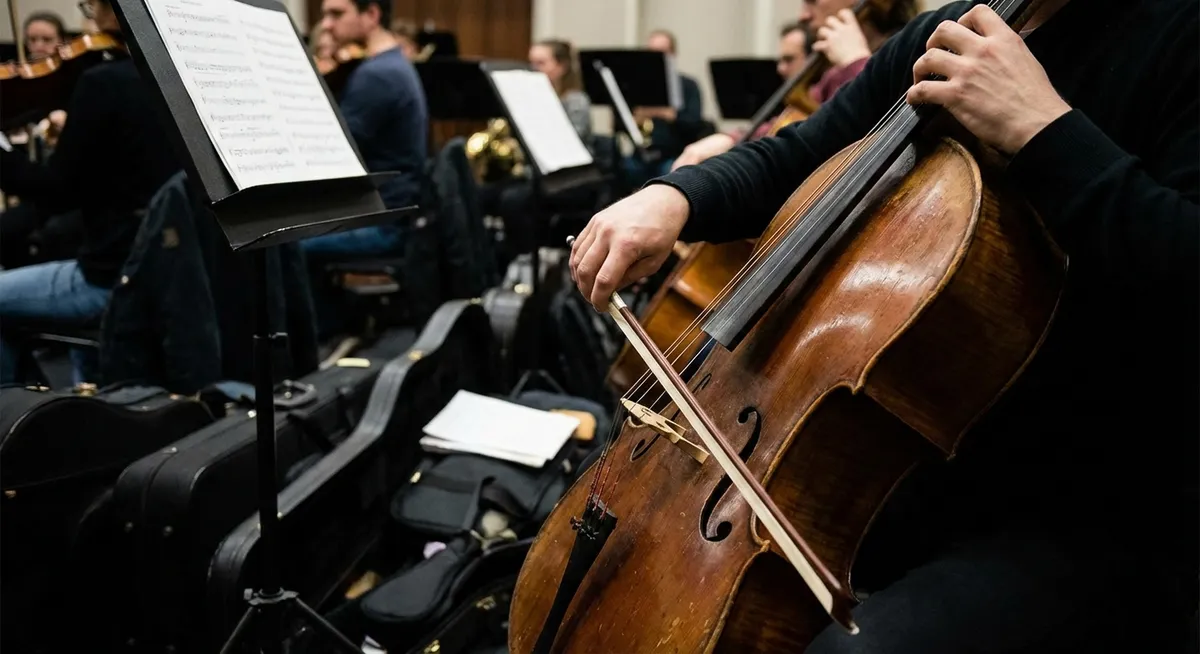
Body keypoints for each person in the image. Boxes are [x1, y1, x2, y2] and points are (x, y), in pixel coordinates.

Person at [570, 1, 1198, 652]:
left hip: (1086, 502)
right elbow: (802, 153)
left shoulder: (1179, 36)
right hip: (895, 466)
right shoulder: (950, 31)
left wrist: (1043, 131)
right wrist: (676, 196)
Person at [0, 0, 180, 384]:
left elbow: (57, 192)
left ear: (115, 8)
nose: (90, 19)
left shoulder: (104, 82)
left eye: (90, 6)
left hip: (114, 277)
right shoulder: (180, 76)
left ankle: (23, 410)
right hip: (180, 273)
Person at [674, 0, 919, 170]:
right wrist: (731, 140)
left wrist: (855, 63)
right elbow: (793, 125)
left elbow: (887, 138)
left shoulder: (915, 53)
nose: (803, 15)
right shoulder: (832, 71)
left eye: (812, 1)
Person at [308, 0, 428, 260]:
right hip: (392, 215)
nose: (326, 25)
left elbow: (332, 158)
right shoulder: (393, 63)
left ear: (372, 14)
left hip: (383, 225)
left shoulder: (377, 75)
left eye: (337, 14)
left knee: (280, 249)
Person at [622, 29, 705, 186]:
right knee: (622, 169)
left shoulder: (688, 85)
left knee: (670, 171)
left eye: (661, 52)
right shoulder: (638, 86)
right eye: (651, 52)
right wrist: (632, 120)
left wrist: (667, 114)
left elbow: (695, 123)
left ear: (673, 55)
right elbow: (620, 126)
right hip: (642, 155)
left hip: (674, 153)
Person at [528, 38, 592, 141]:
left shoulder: (576, 100)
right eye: (531, 63)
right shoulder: (530, 97)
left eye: (541, 63)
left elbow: (572, 138)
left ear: (562, 66)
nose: (533, 69)